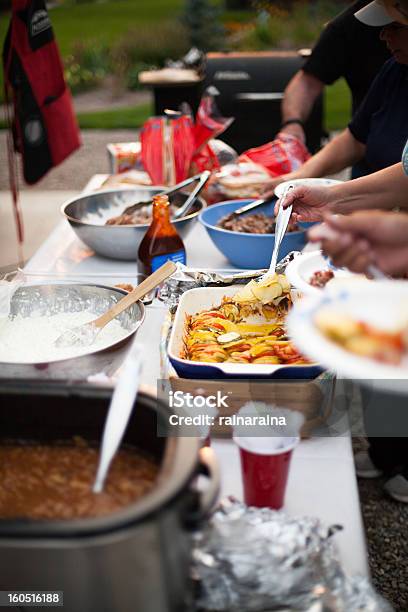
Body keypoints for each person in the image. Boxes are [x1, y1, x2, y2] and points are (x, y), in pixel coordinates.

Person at [280, 0, 408, 503]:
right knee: (376, 351)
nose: (383, 38)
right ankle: (386, 452)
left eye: (395, 26)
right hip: (383, 238)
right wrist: (326, 191)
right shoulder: (392, 73)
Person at [264, 20, 408, 196]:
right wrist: (297, 177)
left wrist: (333, 197)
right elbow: (357, 137)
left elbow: (403, 179)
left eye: (395, 26)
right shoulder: (395, 69)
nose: (383, 35)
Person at [280, 0, 390, 155]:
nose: (386, 36)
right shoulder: (350, 25)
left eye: (396, 28)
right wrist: (292, 124)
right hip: (369, 155)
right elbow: (307, 81)